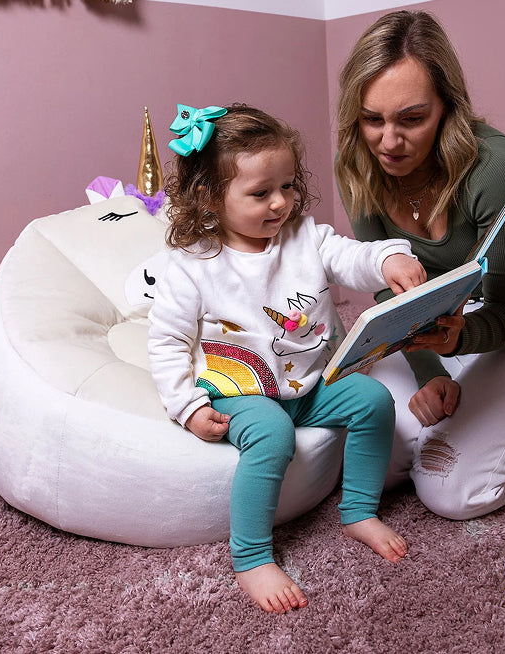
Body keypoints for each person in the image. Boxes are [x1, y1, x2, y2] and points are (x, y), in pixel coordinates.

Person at [148, 103, 427, 614]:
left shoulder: (305, 238)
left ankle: (359, 511)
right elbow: (166, 342)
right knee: (273, 434)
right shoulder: (193, 266)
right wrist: (186, 407)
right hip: (240, 391)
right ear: (210, 197)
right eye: (261, 193)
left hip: (310, 383)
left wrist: (388, 257)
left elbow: (352, 255)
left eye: (288, 186)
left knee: (372, 399)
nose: (280, 202)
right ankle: (252, 557)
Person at [335, 10, 505, 521]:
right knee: (372, 463)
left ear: (447, 107)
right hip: (432, 324)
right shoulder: (358, 164)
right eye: (372, 119)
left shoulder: (496, 166)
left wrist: (454, 343)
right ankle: (483, 411)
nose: (388, 142)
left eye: (411, 119)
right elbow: (389, 289)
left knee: (449, 490)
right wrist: (429, 371)